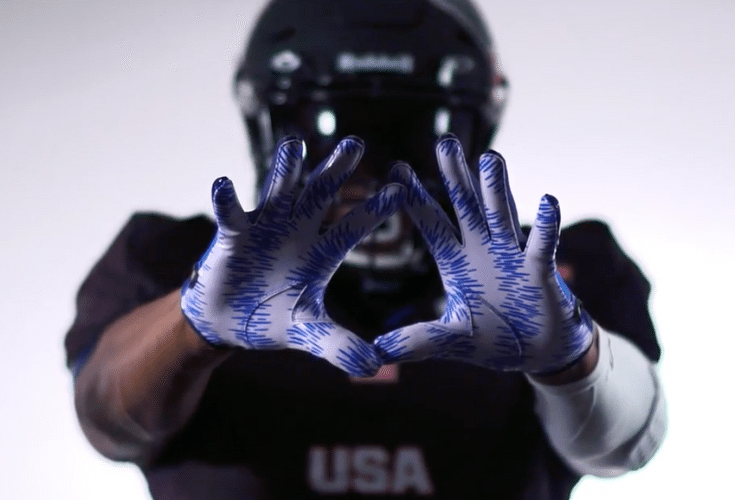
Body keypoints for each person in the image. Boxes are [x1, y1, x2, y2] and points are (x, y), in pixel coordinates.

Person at [66, 0, 666, 498]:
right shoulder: (180, 259)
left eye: (412, 131)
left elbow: (625, 444)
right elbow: (109, 424)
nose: (376, 172)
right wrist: (190, 327)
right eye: (338, 130)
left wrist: (573, 361)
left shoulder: (545, 270)